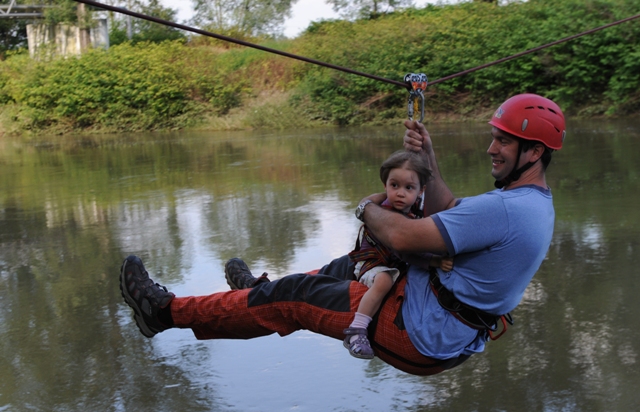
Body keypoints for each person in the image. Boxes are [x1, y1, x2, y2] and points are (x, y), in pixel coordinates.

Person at [120, 93, 565, 377]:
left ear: (535, 152)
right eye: (495, 137)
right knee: (347, 266)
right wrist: (426, 158)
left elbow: (407, 238)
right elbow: (450, 209)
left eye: (503, 141)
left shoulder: (507, 210)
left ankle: (165, 313)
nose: (492, 148)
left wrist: (366, 207)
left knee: (295, 296)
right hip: (435, 313)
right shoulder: (530, 204)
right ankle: (256, 294)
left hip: (417, 330)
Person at [344, 150, 453, 360]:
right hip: (372, 263)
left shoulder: (415, 208)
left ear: (421, 191)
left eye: (408, 187)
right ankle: (357, 330)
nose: (400, 193)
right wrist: (434, 260)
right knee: (384, 281)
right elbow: (406, 252)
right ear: (385, 186)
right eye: (394, 186)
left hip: (394, 262)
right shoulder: (385, 215)